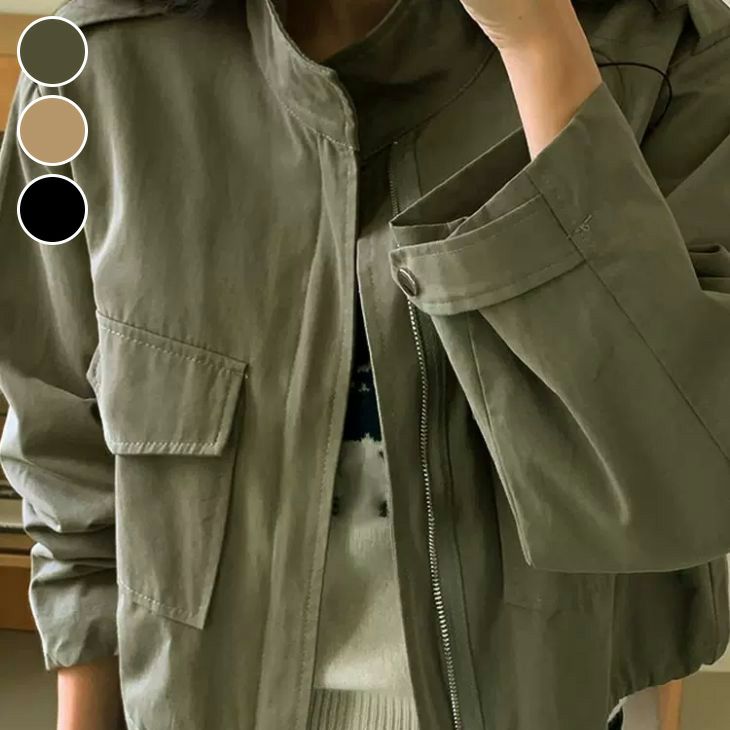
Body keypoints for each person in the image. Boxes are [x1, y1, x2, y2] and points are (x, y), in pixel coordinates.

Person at [1, 0, 729, 728]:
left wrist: (541, 47)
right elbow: (68, 472)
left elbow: (680, 476)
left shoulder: (666, 53)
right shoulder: (87, 74)